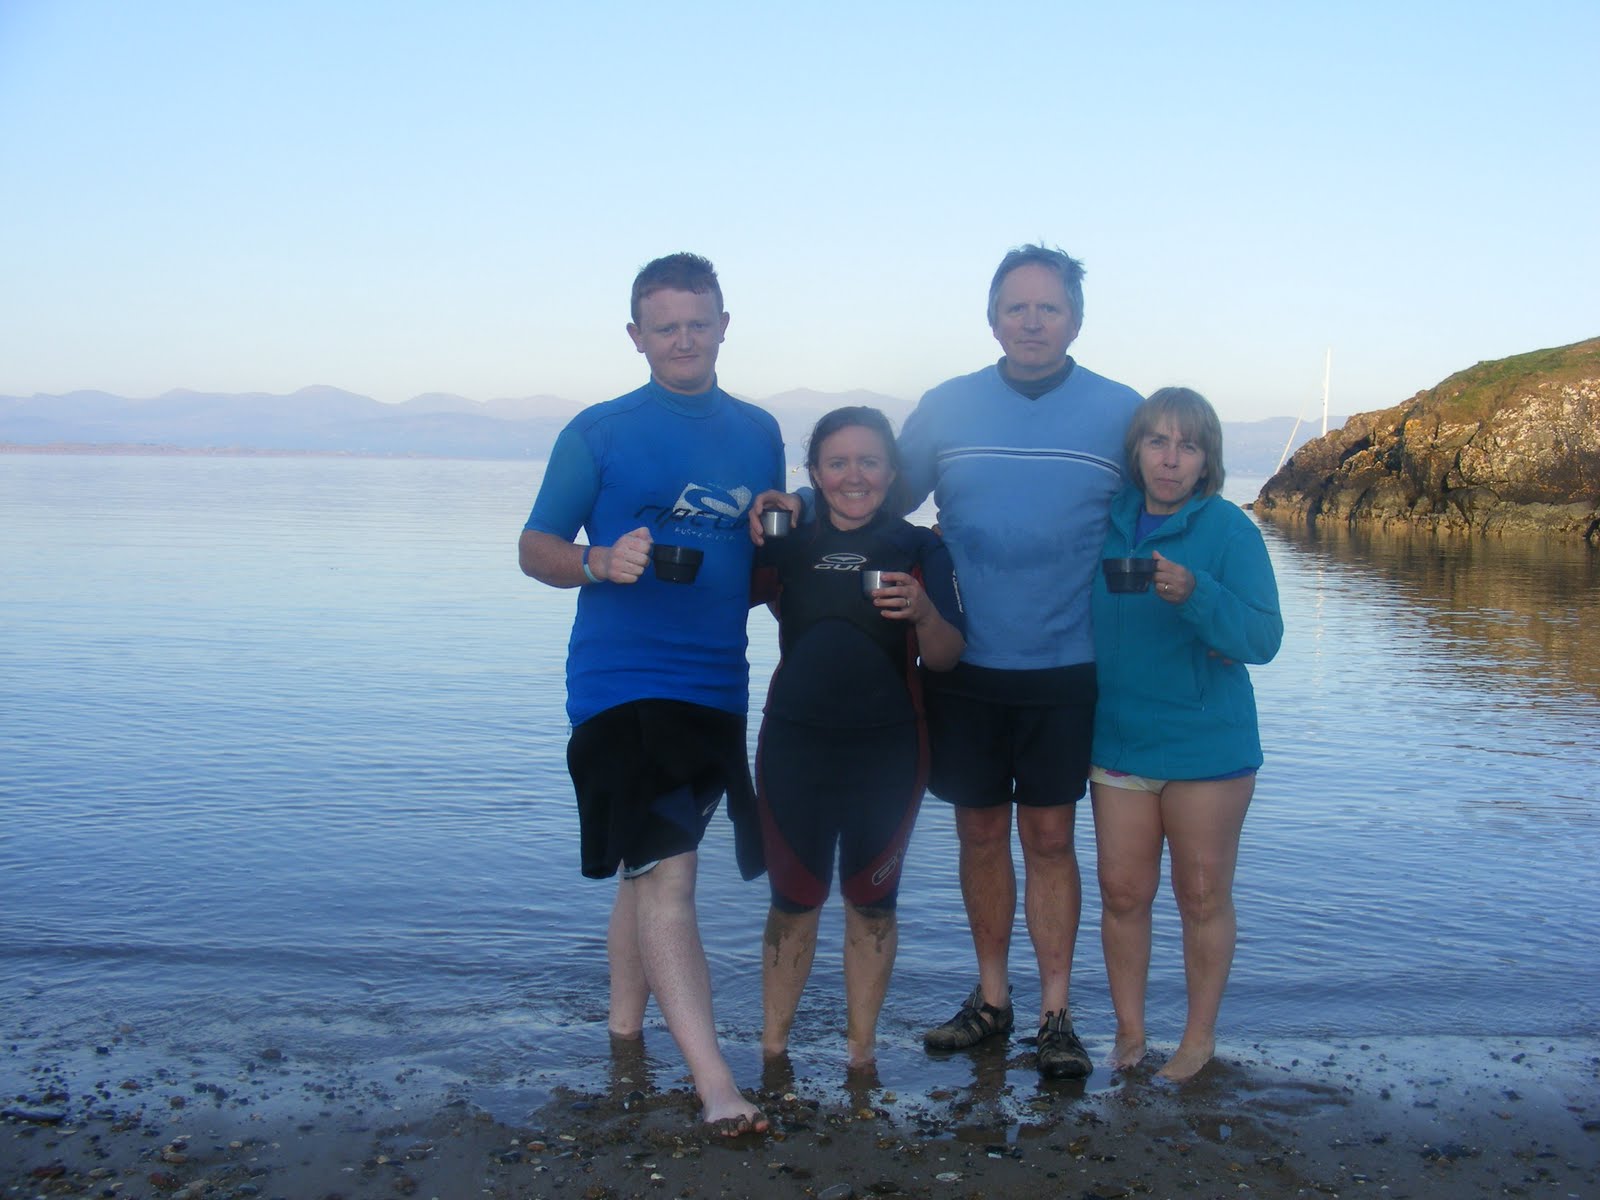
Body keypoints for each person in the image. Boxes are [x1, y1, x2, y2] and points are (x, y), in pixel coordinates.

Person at [752, 245, 1142, 1079]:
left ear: (1076, 319)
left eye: (1049, 307)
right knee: (978, 834)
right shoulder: (950, 406)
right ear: (991, 317)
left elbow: (1159, 513)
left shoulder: (1120, 412)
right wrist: (801, 505)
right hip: (960, 666)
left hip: (1066, 662)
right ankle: (992, 1000)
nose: (1031, 322)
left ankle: (1057, 1016)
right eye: (1015, 307)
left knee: (1049, 839)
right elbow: (875, 489)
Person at [518, 252, 782, 1135]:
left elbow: (751, 568)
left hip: (718, 685)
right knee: (670, 875)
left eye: (698, 323)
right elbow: (535, 548)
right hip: (621, 687)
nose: (683, 340)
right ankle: (716, 1086)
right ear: (636, 336)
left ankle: (623, 1036)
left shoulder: (759, 433)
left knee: (645, 867)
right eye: (665, 327)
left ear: (723, 326)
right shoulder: (598, 432)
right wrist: (598, 560)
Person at [749, 407, 965, 1070]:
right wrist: (757, 519)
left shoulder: (918, 548)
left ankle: (861, 1059)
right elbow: (716, 600)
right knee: (792, 903)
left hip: (889, 753)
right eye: (837, 462)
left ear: (892, 472)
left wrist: (924, 613)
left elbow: (947, 657)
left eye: (869, 461)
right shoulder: (787, 541)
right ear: (814, 473)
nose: (854, 476)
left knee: (873, 907)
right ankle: (773, 1054)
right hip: (794, 749)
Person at [1089, 387, 1283, 1081]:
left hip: (1207, 748)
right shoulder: (1105, 522)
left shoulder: (1229, 531)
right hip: (1118, 742)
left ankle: (1197, 1041)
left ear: (1207, 461)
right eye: (1158, 442)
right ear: (1137, 451)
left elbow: (1263, 638)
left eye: (1188, 446)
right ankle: (1130, 1033)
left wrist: (1196, 594)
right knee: (1122, 894)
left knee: (1201, 897)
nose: (1170, 460)